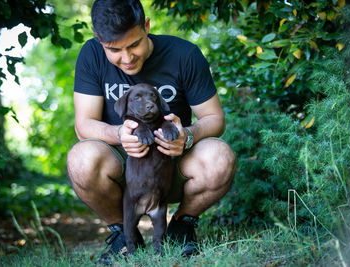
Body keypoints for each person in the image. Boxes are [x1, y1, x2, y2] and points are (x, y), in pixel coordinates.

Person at [67, 0, 236, 263]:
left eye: (134, 44)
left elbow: (215, 119)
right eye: (114, 49)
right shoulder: (91, 55)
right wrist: (119, 133)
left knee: (220, 155)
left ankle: (180, 228)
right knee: (81, 158)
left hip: (172, 166)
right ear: (99, 40)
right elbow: (84, 125)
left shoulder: (184, 55)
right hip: (123, 170)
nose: (127, 58)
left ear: (146, 26)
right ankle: (124, 233)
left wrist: (187, 136)